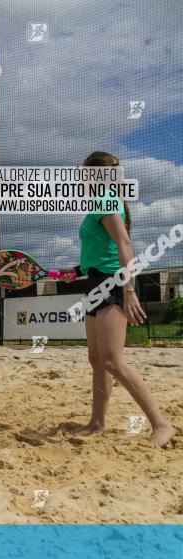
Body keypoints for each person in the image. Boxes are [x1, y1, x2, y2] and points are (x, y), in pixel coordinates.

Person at [59, 151, 175, 447]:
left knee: (113, 361)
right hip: (95, 283)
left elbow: (125, 244)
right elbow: (102, 250)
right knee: (97, 359)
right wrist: (75, 271)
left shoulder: (106, 199)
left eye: (81, 171)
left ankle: (161, 424)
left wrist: (128, 290)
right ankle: (97, 422)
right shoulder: (99, 202)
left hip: (112, 285)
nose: (78, 176)